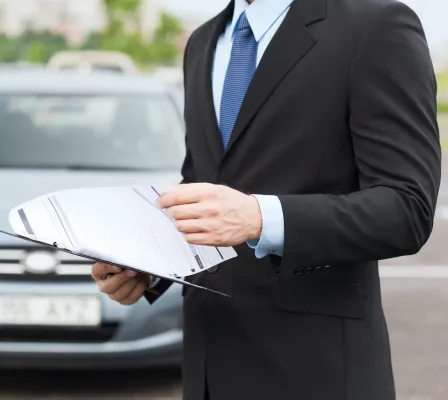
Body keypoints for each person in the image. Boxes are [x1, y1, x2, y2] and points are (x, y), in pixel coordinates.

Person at [91, 0, 442, 398]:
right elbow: (202, 187)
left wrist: (261, 218)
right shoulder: (203, 42)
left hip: (315, 371)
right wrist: (148, 264)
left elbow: (406, 207)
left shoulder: (376, 26)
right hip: (208, 367)